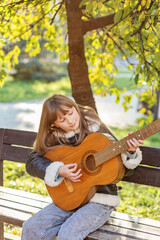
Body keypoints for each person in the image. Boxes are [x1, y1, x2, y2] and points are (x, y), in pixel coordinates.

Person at [21, 94, 143, 240]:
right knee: (32, 227)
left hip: (100, 201)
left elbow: (124, 169)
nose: (71, 121)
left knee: (68, 233)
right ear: (54, 124)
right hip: (70, 198)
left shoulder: (95, 125)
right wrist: (59, 170)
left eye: (71, 113)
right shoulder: (55, 136)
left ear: (75, 106)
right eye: (62, 120)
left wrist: (130, 152)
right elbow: (32, 161)